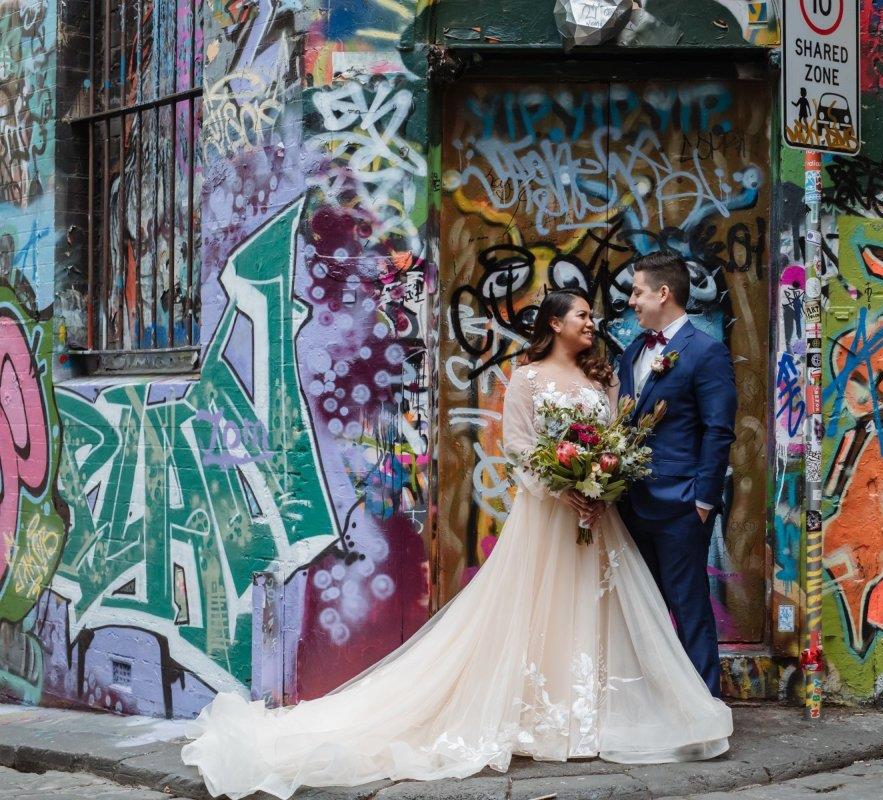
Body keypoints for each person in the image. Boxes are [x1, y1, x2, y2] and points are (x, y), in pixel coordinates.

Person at [181, 287, 732, 800]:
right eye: (582, 315)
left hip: (598, 515)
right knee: (541, 605)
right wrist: (564, 490)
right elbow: (519, 448)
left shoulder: (603, 378)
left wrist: (600, 486)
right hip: (548, 516)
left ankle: (592, 712)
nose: (593, 322)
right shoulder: (527, 379)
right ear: (555, 324)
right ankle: (544, 713)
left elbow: (614, 439)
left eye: (591, 316)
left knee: (597, 604)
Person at [618, 251, 737, 697]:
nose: (632, 301)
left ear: (663, 293)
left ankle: (706, 706)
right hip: (631, 505)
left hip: (682, 507)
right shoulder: (633, 352)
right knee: (640, 610)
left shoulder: (706, 352)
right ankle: (656, 703)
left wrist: (703, 502)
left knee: (689, 609)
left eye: (638, 292)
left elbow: (718, 430)